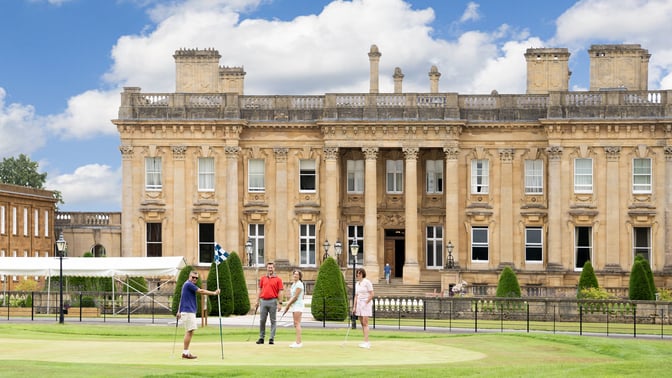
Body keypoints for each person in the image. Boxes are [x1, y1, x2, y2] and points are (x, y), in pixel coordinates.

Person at [176, 271, 220, 359]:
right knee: (190, 331)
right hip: (188, 311)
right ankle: (185, 353)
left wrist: (179, 311)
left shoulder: (186, 284)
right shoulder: (188, 284)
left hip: (188, 311)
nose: (194, 279)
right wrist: (214, 293)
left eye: (196, 278)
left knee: (190, 331)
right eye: (193, 277)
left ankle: (186, 352)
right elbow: (201, 291)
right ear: (189, 277)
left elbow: (182, 298)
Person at [256, 261, 284, 345]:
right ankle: (261, 338)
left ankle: (271, 338)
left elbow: (280, 291)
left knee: (273, 321)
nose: (270, 269)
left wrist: (280, 303)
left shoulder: (278, 279)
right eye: (269, 267)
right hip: (263, 301)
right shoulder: (263, 278)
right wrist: (257, 301)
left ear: (274, 268)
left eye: (271, 267)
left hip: (273, 301)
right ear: (267, 268)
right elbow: (259, 290)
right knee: (262, 320)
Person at [280, 269, 304, 348]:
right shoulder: (294, 284)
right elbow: (291, 296)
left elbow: (296, 297)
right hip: (295, 306)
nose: (295, 276)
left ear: (299, 276)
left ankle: (298, 342)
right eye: (294, 274)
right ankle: (297, 341)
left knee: (297, 323)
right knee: (295, 323)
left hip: (298, 306)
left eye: (297, 274)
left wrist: (288, 305)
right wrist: (288, 304)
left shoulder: (299, 284)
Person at [352, 267, 374, 349]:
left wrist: (366, 302)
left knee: (365, 323)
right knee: (361, 323)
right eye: (357, 273)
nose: (358, 274)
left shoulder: (367, 282)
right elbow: (356, 296)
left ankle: (367, 342)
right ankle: (365, 341)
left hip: (366, 303)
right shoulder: (357, 284)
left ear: (363, 274)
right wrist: (354, 307)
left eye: (360, 273)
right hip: (359, 304)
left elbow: (372, 294)